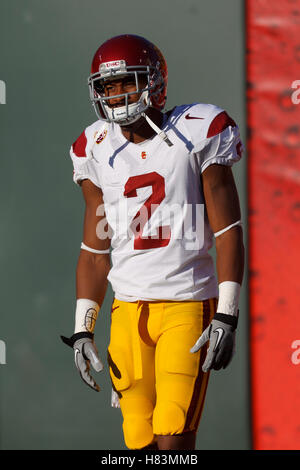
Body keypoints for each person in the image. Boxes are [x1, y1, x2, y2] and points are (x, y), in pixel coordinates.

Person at [61, 34, 244, 451]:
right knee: (138, 441)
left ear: (154, 82)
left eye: (126, 82)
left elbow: (227, 231)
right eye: (107, 87)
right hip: (127, 313)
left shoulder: (197, 131)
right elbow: (94, 252)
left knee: (173, 440)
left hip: (186, 304)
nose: (116, 96)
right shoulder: (94, 146)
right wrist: (81, 331)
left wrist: (227, 315)